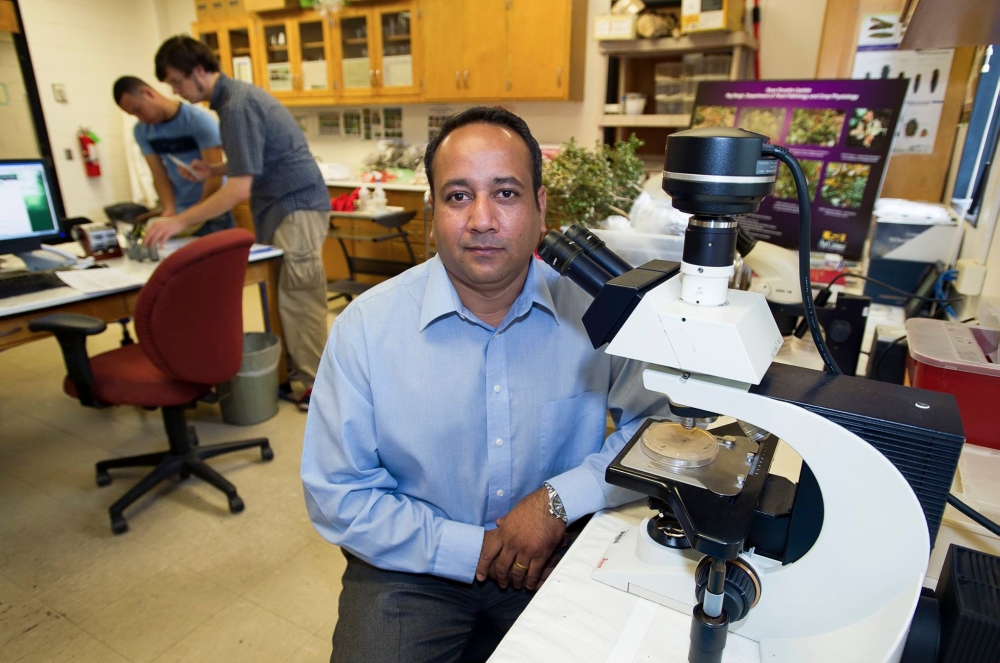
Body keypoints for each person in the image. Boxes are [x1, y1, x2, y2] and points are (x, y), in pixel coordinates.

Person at [301, 107, 667, 662]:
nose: (482, 219)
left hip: (556, 543)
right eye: (457, 196)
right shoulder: (366, 328)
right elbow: (339, 494)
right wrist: (474, 549)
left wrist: (559, 500)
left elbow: (658, 430)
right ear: (431, 214)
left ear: (541, 208)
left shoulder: (597, 311)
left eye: (506, 193)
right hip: (411, 564)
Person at [147, 36, 332, 408]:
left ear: (199, 71)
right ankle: (297, 375)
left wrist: (177, 221)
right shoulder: (233, 100)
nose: (177, 92)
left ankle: (321, 389)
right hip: (285, 208)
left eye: (177, 82)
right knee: (288, 299)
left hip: (295, 208)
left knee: (300, 301)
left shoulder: (235, 106)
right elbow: (254, 159)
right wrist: (213, 169)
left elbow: (238, 190)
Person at [113, 76, 234, 236]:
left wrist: (194, 215)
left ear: (148, 93)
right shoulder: (142, 131)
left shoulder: (198, 121)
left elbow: (214, 176)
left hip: (212, 210)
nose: (140, 118)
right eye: (133, 115)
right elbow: (158, 174)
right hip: (181, 212)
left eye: (138, 110)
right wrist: (169, 209)